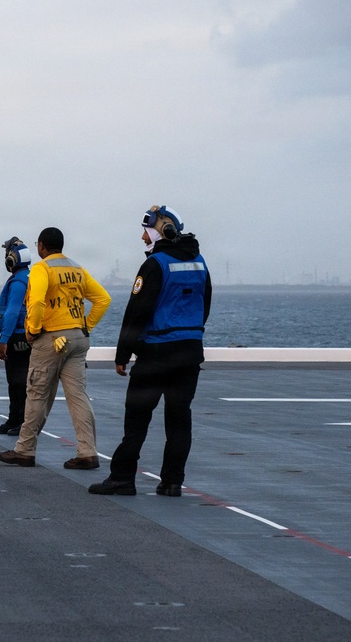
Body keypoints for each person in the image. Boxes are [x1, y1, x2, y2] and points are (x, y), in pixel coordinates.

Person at [89, 206, 211, 497]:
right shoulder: (200, 262)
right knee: (179, 420)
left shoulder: (156, 264)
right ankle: (171, 482)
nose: (144, 237)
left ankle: (122, 479)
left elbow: (137, 312)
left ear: (162, 230)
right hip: (190, 353)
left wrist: (122, 355)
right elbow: (204, 306)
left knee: (136, 420)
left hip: (156, 355)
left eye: (147, 231)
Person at [0, 227, 111, 470]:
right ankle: (87, 452)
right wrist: (85, 326)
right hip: (78, 339)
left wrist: (34, 330)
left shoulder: (42, 268)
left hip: (51, 339)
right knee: (78, 396)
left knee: (37, 392)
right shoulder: (77, 268)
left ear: (41, 247)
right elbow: (103, 299)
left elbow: (36, 301)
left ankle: (25, 450)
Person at [0, 237, 33, 436]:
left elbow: (13, 311)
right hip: (21, 336)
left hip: (17, 337)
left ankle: (20, 422)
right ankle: (14, 420)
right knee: (16, 381)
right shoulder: (25, 277)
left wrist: (4, 339)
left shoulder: (18, 281)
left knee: (18, 382)